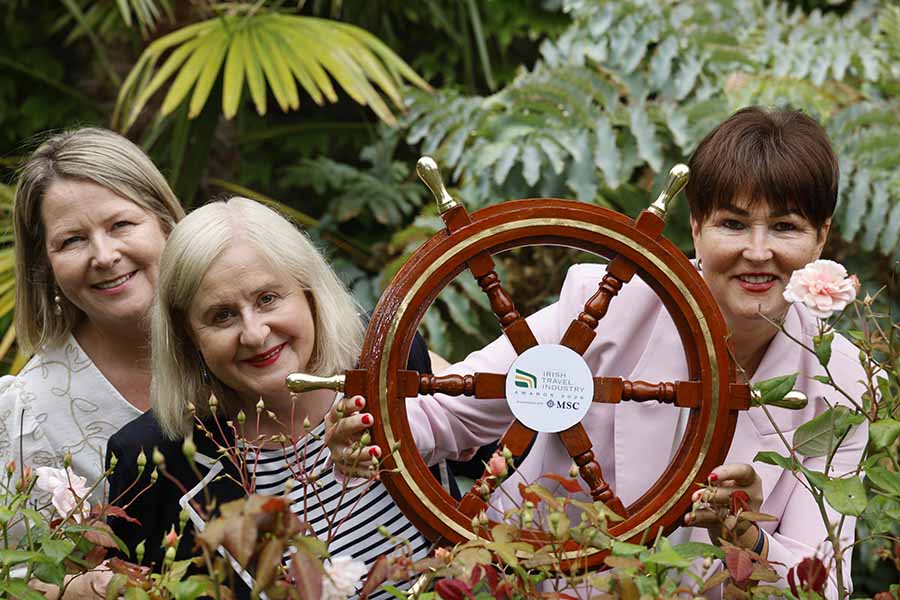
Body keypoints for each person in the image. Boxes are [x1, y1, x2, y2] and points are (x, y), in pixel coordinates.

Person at [327, 107, 868, 597]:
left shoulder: (842, 381)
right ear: (697, 227)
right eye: (732, 223)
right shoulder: (606, 305)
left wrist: (746, 534)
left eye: (785, 226)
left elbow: (820, 581)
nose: (757, 251)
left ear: (820, 238)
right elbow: (448, 414)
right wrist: (367, 435)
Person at [107, 197, 440, 599]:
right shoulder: (156, 458)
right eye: (222, 315)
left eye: (267, 299)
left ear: (308, 293)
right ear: (187, 336)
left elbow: (502, 469)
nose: (254, 333)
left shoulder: (390, 360)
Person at [0, 127, 184, 498]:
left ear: (164, 221)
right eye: (73, 240)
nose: (104, 256)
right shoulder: (27, 417)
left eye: (121, 225)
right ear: (44, 264)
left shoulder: (246, 338)